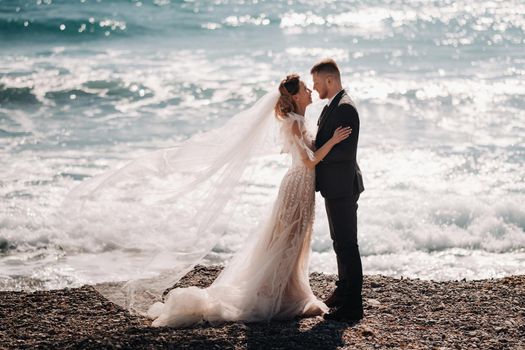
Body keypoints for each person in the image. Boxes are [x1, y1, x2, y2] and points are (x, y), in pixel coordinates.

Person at [147, 74, 352, 327]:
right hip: (297, 185)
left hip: (303, 185)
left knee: (294, 241)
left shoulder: (299, 120)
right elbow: (309, 161)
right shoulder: (294, 123)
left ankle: (288, 291)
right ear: (296, 96)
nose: (310, 91)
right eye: (305, 88)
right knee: (287, 240)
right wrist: (333, 140)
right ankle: (274, 294)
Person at [311, 59, 365, 322]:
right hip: (335, 186)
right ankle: (343, 291)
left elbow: (344, 153)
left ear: (329, 80)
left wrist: (315, 157)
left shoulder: (345, 109)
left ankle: (354, 306)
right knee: (338, 243)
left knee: (347, 245)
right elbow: (325, 142)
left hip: (343, 185)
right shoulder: (331, 106)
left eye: (317, 82)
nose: (314, 87)